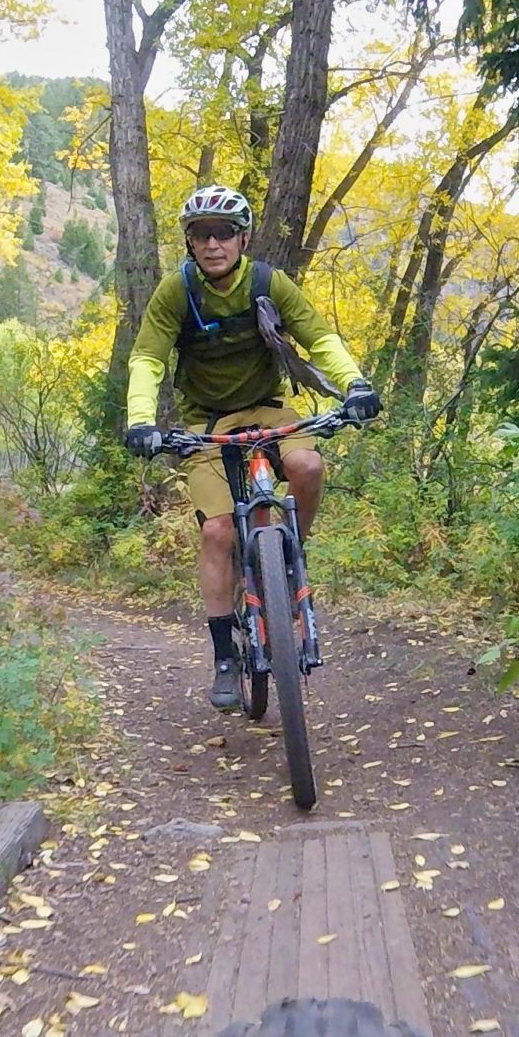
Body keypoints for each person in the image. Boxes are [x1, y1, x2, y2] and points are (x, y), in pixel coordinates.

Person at [122, 184, 383, 710]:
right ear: (190, 241)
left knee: (307, 464)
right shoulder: (177, 292)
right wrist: (141, 420)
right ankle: (224, 654)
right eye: (201, 234)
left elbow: (319, 337)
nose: (213, 243)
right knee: (218, 531)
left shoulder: (269, 282)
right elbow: (148, 359)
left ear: (242, 238)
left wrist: (354, 385)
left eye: (223, 233)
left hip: (268, 407)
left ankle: (288, 557)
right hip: (206, 424)